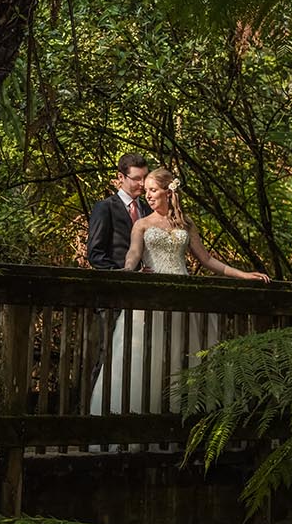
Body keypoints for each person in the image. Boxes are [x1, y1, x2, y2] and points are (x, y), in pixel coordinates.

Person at [89, 167, 270, 417]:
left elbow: (207, 259)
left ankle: (181, 419)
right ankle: (136, 420)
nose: (148, 195)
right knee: (145, 357)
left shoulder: (185, 223)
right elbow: (133, 255)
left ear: (168, 192)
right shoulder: (141, 225)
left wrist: (243, 274)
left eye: (153, 190)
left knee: (180, 357)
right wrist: (127, 273)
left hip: (184, 298)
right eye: (147, 191)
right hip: (152, 297)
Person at [85, 153, 152, 270]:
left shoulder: (149, 209)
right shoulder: (105, 207)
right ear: (121, 177)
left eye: (145, 178)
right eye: (136, 179)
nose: (142, 183)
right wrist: (121, 274)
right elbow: (95, 254)